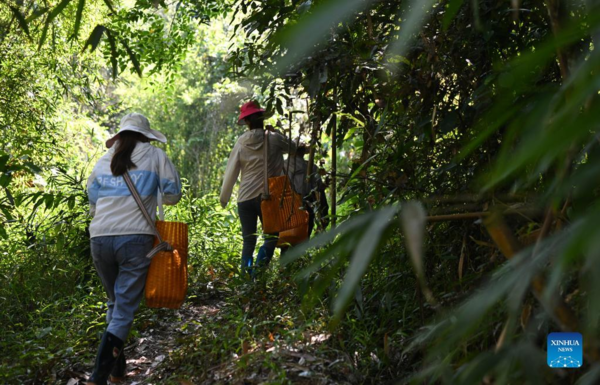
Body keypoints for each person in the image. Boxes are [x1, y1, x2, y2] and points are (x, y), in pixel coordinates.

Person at [86, 113, 182, 385]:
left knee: (115, 304)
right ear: (145, 136)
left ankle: (117, 373)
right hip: (135, 241)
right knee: (124, 310)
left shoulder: (105, 160)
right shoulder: (154, 156)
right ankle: (97, 377)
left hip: (100, 239)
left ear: (120, 135)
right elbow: (173, 195)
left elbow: (93, 201)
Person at [220, 101, 297, 273]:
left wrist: (224, 198)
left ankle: (246, 279)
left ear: (246, 122)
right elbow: (294, 148)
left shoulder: (240, 143)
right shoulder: (274, 139)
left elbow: (231, 171)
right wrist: (278, 132)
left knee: (248, 241)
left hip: (245, 199)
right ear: (262, 118)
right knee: (271, 237)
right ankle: (259, 270)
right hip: (267, 198)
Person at [283, 144, 329, 237]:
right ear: (303, 152)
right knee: (307, 227)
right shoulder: (311, 166)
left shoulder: (283, 165)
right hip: (307, 200)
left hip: (288, 201)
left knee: (289, 229)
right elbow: (319, 187)